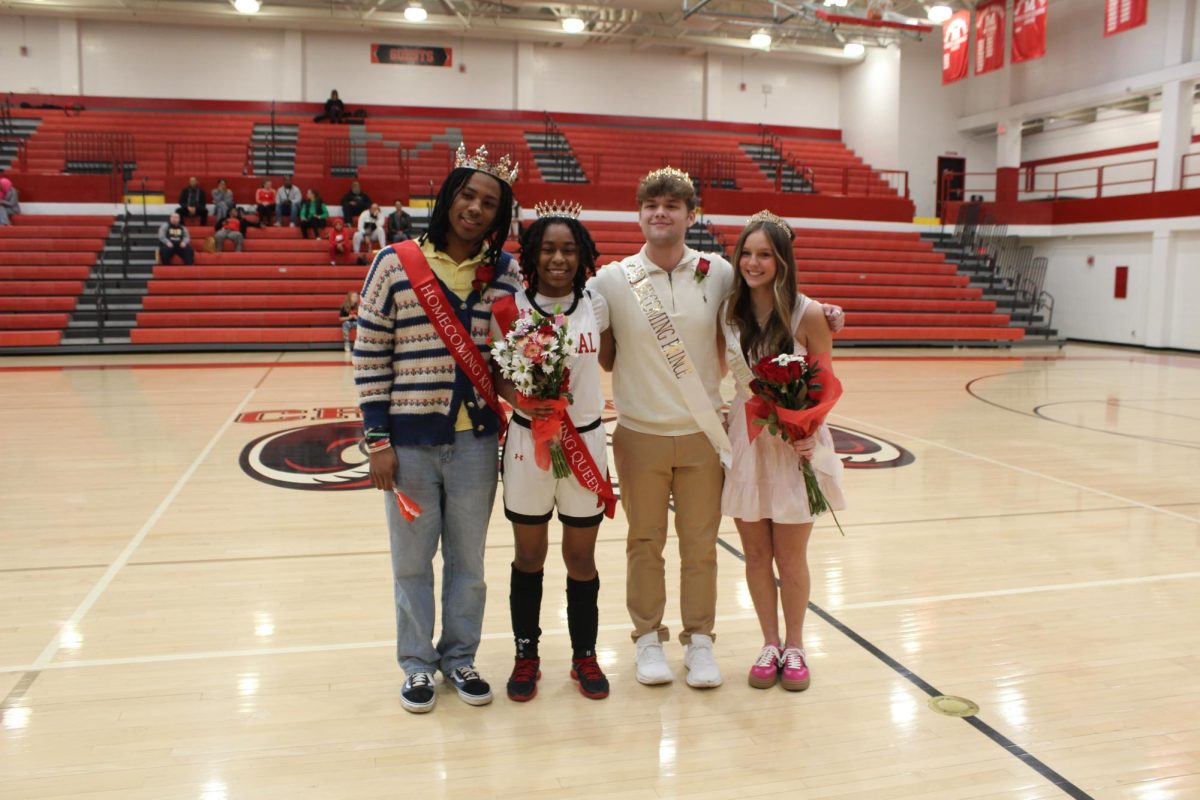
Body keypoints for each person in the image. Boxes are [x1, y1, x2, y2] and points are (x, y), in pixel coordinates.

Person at [589, 167, 845, 690]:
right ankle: (647, 639)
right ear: (638, 214)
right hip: (640, 433)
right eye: (651, 204)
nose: (661, 213)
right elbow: (571, 320)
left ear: (690, 215)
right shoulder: (611, 279)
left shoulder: (719, 274)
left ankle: (701, 640)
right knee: (644, 542)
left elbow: (777, 298)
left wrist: (825, 314)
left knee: (702, 544)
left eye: (672, 205)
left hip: (708, 434)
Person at [355, 143, 520, 715]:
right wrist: (377, 441)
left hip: (476, 442)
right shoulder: (394, 264)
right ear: (449, 198)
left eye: (489, 203)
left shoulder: (502, 274)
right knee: (411, 560)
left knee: (469, 562)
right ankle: (417, 666)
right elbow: (370, 355)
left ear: (500, 216)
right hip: (409, 444)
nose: (475, 208)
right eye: (467, 195)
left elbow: (513, 356)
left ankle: (460, 658)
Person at [489, 201, 615, 703]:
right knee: (529, 555)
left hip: (584, 437)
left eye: (568, 249)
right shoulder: (510, 307)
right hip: (527, 443)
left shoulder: (597, 304)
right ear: (533, 255)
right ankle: (527, 655)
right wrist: (525, 400)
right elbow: (498, 372)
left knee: (581, 558)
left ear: (582, 255)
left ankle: (584, 654)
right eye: (548, 249)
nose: (558, 258)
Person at [719, 211, 846, 692]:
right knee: (754, 556)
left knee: (791, 559)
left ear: (782, 260)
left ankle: (795, 645)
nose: (753, 262)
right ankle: (768, 642)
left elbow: (823, 381)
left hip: (797, 446)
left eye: (764, 254)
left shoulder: (809, 314)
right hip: (747, 442)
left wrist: (810, 427)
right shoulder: (729, 311)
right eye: (746, 253)